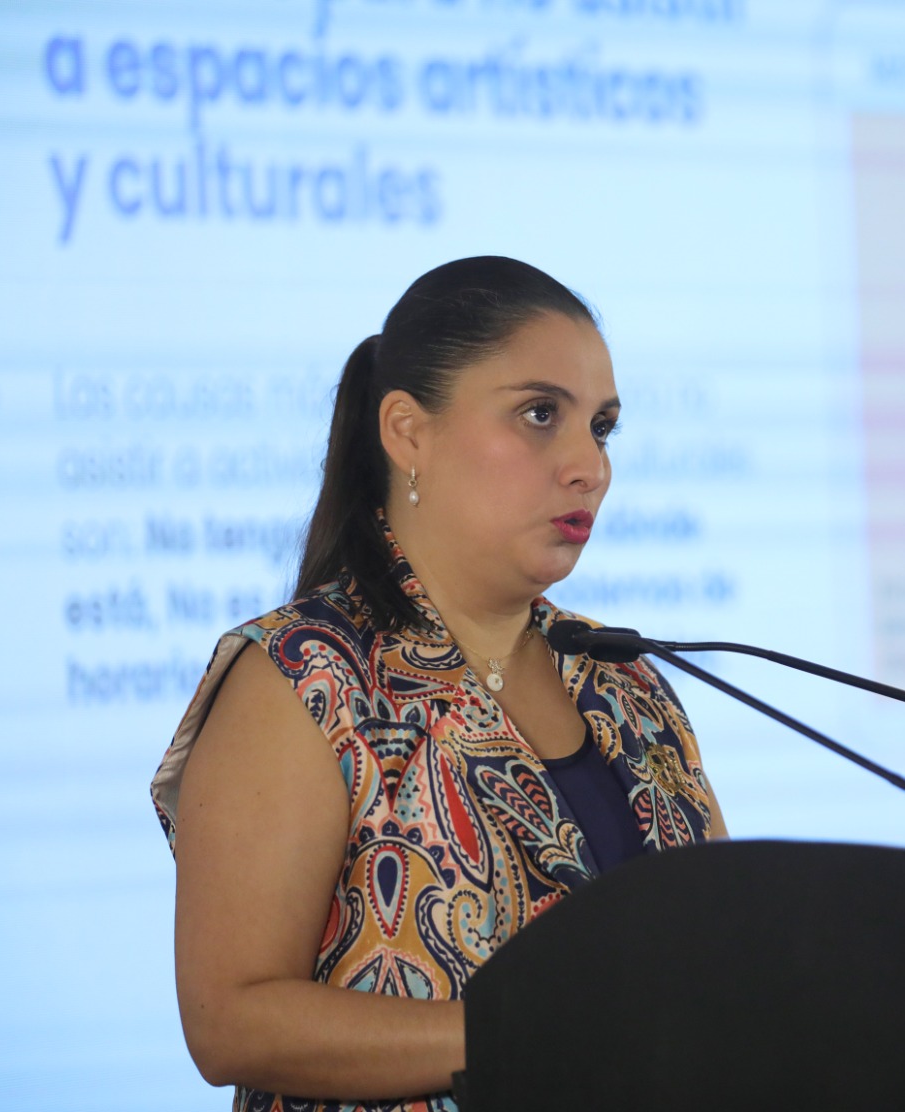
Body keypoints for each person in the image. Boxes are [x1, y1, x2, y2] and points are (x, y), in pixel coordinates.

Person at [148, 256, 727, 1111]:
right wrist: (523, 1032)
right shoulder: (306, 677)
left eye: (601, 428)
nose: (589, 466)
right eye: (540, 415)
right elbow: (231, 1022)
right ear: (407, 432)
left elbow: (715, 965)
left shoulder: (627, 683)